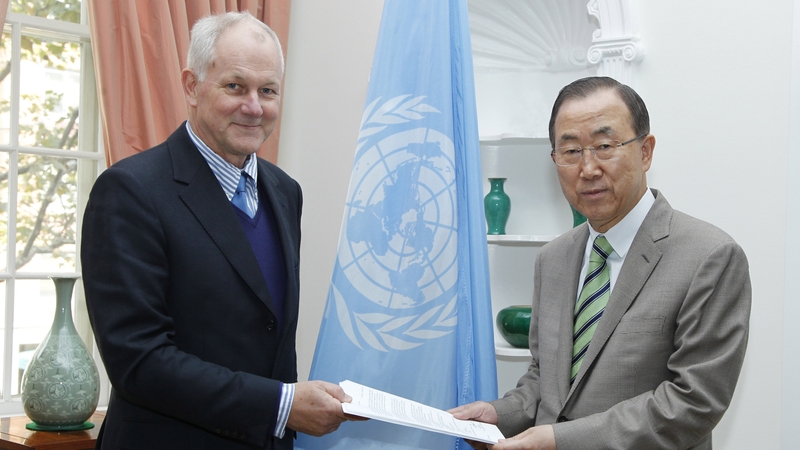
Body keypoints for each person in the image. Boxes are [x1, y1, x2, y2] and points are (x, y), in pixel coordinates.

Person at [81, 11, 351, 450]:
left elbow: (268, 338)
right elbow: (139, 363)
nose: (253, 106)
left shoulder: (286, 192)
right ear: (191, 86)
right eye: (235, 86)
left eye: (268, 91)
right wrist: (281, 405)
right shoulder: (130, 191)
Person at [451, 76, 751, 449]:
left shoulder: (710, 256)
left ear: (645, 151)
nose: (588, 168)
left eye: (604, 146)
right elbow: (547, 380)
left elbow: (693, 402)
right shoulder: (553, 258)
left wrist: (561, 440)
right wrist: (499, 415)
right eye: (571, 151)